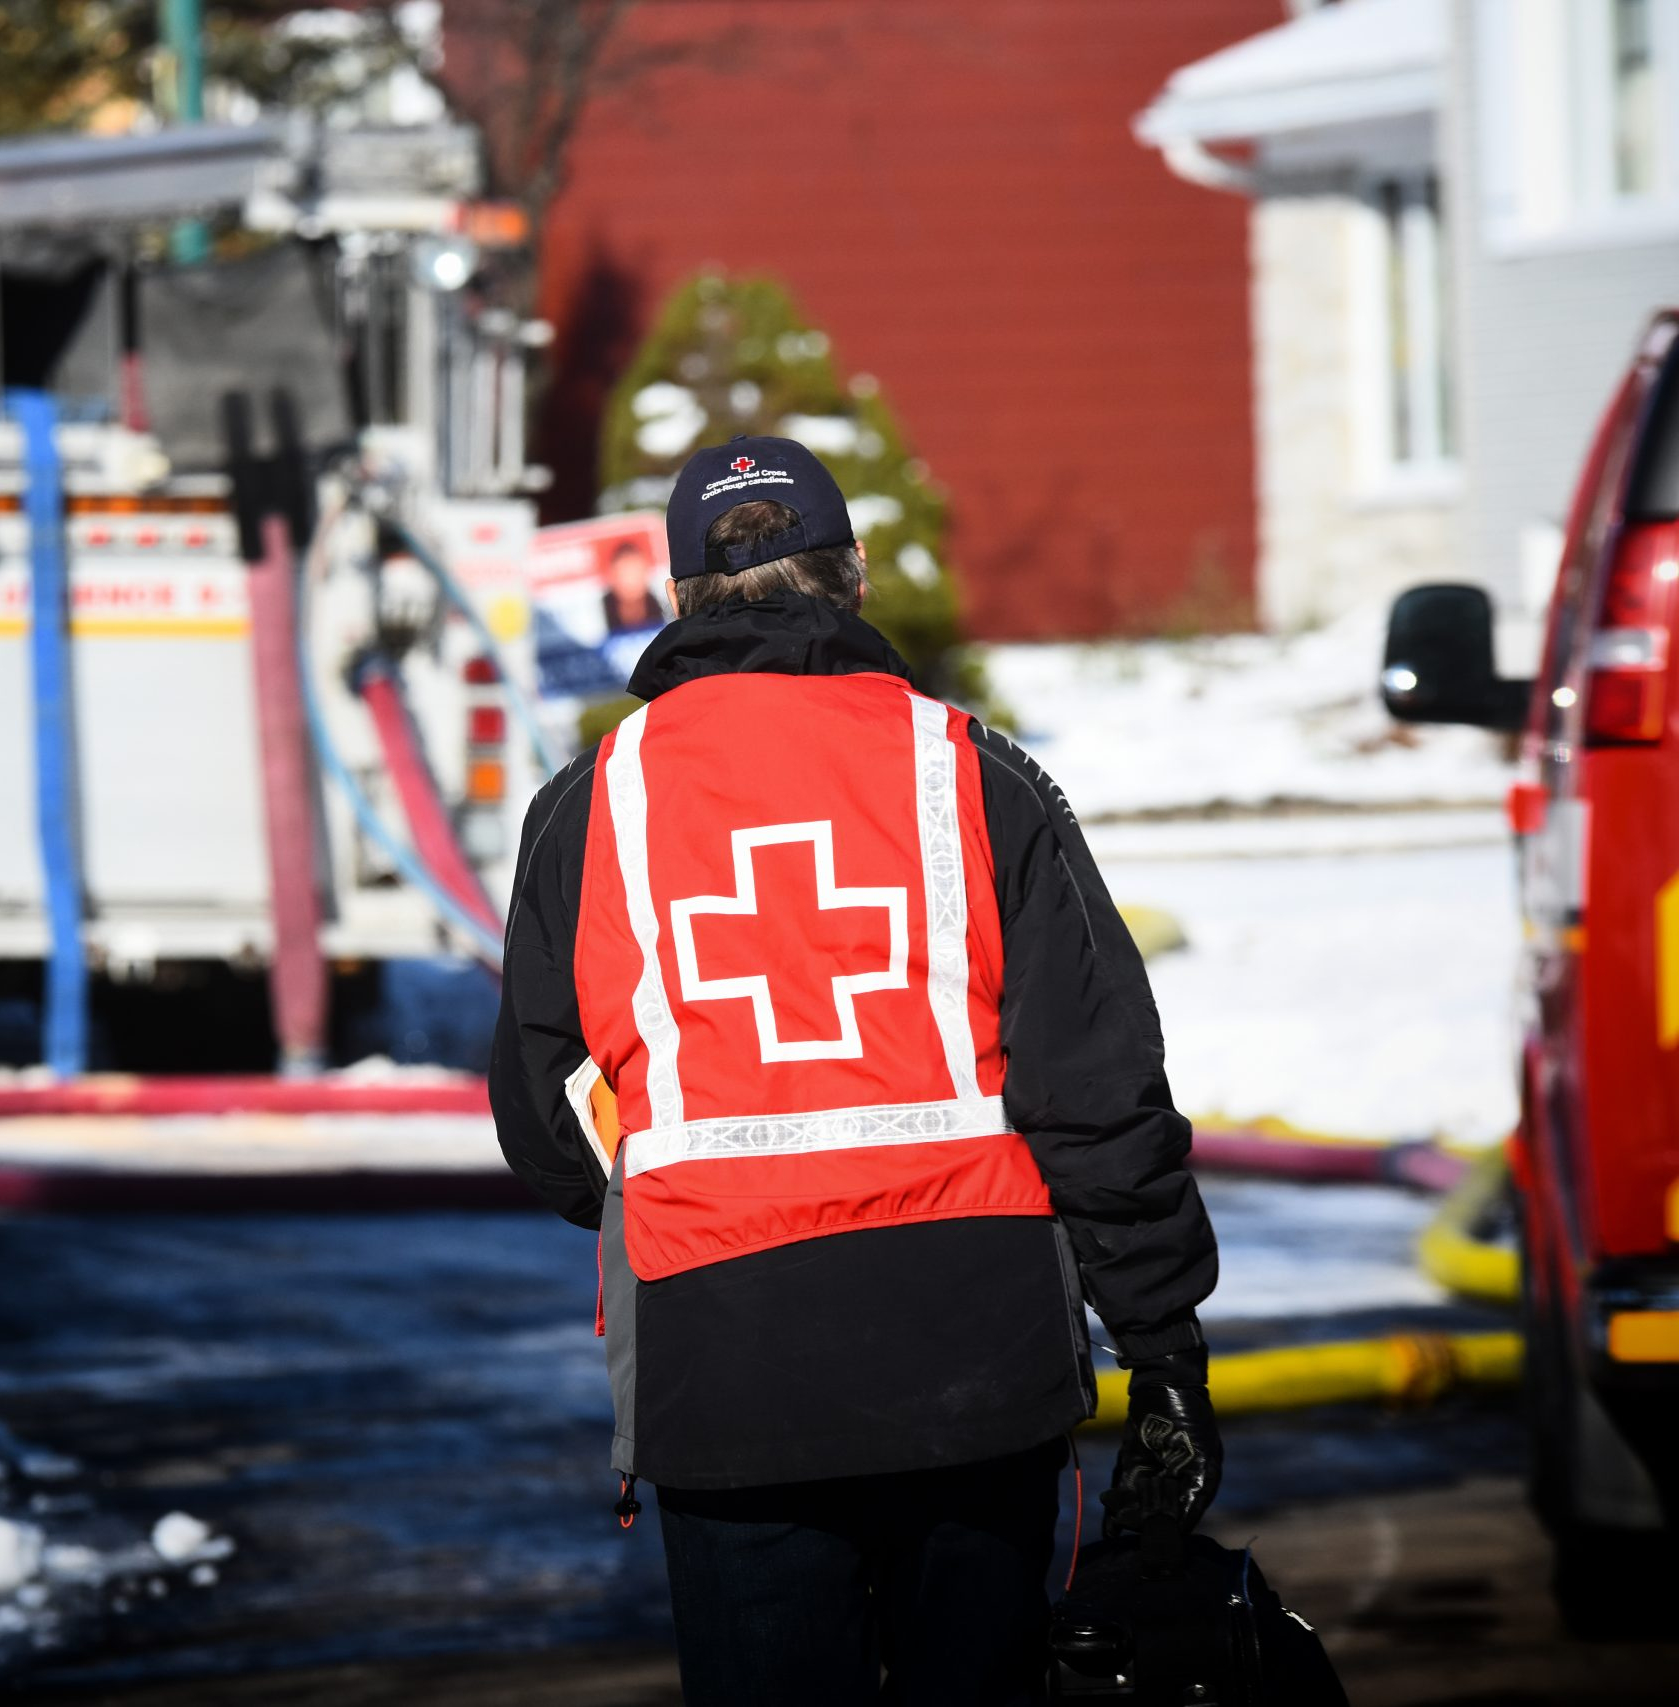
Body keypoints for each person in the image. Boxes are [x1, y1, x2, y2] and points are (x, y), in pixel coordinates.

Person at [488, 436, 1220, 1705]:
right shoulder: (976, 775)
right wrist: (1162, 1353)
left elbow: (546, 1116)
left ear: (677, 601)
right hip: (977, 1361)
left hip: (726, 1374)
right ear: (858, 575)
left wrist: (675, 1166)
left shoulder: (593, 805)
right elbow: (1098, 1089)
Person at [600, 538, 668, 636]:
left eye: (635, 573)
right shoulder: (595, 622)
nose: (631, 581)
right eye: (625, 574)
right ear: (612, 577)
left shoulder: (667, 614)